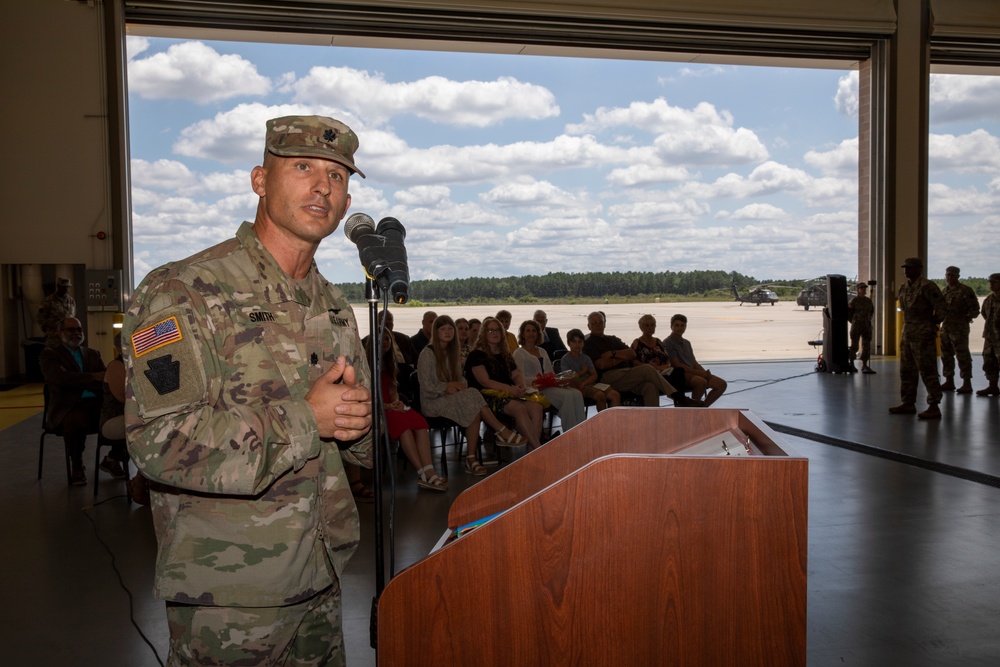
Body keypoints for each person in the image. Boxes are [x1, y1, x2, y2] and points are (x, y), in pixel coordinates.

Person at [123, 115, 373, 666]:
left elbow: (352, 435)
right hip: (231, 596)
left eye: (336, 176)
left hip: (324, 570)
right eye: (303, 167)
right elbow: (158, 443)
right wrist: (309, 419)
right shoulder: (182, 290)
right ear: (260, 179)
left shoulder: (332, 304)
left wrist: (362, 425)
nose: (321, 186)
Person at [418, 314, 525, 476]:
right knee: (473, 399)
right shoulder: (428, 353)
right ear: (436, 331)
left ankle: (472, 458)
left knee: (473, 404)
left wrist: (457, 386)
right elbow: (426, 386)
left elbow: (462, 379)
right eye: (443, 329)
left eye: (450, 329)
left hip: (451, 398)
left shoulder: (453, 353)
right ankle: (500, 432)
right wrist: (447, 386)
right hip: (433, 401)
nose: (448, 332)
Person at [39, 317, 117, 485]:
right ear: (61, 334)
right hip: (68, 406)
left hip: (96, 403)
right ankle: (77, 466)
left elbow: (104, 379)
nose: (76, 333)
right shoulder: (50, 355)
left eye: (79, 330)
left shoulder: (92, 354)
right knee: (75, 421)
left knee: (120, 417)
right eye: (71, 330)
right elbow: (58, 378)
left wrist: (75, 379)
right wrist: (91, 377)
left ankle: (112, 459)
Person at [367, 329, 446, 491]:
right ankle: (422, 472)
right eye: (381, 340)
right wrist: (386, 406)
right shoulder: (366, 366)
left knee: (420, 423)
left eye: (388, 339)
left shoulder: (390, 364)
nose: (385, 342)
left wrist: (396, 402)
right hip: (375, 409)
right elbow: (368, 396)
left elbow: (392, 391)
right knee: (404, 428)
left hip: (390, 407)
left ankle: (429, 468)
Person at [582, 311, 701, 408]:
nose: (598, 325)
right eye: (594, 323)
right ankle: (678, 397)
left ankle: (652, 423)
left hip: (626, 375)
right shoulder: (589, 343)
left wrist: (613, 354)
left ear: (604, 324)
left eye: (600, 322)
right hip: (608, 378)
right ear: (589, 326)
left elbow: (631, 354)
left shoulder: (613, 339)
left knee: (650, 386)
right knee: (646, 369)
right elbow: (601, 365)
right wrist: (621, 356)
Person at [466, 317, 544, 450]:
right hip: (488, 397)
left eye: (497, 330)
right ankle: (538, 449)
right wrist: (510, 389)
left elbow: (516, 374)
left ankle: (532, 449)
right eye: (490, 330)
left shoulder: (504, 354)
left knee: (537, 408)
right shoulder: (476, 355)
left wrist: (521, 386)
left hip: (510, 393)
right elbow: (485, 381)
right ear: (484, 333)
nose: (495, 333)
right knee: (519, 408)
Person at [890, 257, 946, 420]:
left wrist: (932, 323)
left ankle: (934, 405)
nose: (906, 270)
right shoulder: (903, 287)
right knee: (906, 370)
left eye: (910, 268)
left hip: (923, 335)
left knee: (928, 370)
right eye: (905, 267)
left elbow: (942, 308)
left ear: (919, 269)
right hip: (907, 333)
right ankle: (908, 403)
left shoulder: (928, 287)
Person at [513, 319, 587, 431]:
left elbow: (550, 373)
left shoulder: (542, 351)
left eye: (534, 331)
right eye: (528, 331)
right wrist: (540, 380)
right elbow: (520, 378)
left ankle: (581, 430)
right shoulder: (518, 353)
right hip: (533, 389)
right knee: (567, 396)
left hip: (548, 386)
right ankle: (570, 433)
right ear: (522, 334)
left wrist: (559, 379)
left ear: (538, 333)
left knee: (576, 393)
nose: (531, 333)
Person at [663, 314, 728, 407]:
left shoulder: (687, 343)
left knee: (721, 384)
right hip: (681, 374)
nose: (679, 328)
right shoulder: (667, 343)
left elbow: (693, 362)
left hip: (693, 371)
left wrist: (705, 373)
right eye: (677, 325)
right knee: (701, 382)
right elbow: (677, 365)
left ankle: (702, 407)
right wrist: (700, 374)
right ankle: (692, 406)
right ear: (671, 327)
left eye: (682, 325)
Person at [940, 266, 981, 394]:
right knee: (946, 356)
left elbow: (975, 309)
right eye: (948, 275)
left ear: (958, 276)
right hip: (946, 328)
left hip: (960, 329)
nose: (950, 277)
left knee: (962, 356)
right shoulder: (944, 291)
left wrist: (965, 318)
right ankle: (949, 381)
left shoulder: (965, 291)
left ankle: (966, 382)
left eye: (953, 275)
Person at [559, 328, 620, 410]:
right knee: (600, 396)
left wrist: (585, 382)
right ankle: (601, 421)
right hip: (576, 386)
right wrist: (583, 372)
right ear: (569, 343)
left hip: (589, 383)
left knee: (615, 395)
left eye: (580, 341)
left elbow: (594, 375)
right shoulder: (565, 359)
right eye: (574, 342)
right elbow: (570, 378)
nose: (577, 344)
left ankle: (611, 420)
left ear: (583, 343)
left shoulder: (586, 358)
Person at [630, 314, 689, 391]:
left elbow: (667, 358)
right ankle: (679, 398)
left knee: (679, 371)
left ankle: (679, 399)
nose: (650, 328)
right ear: (641, 327)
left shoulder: (658, 341)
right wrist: (656, 368)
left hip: (663, 371)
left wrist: (666, 366)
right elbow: (635, 362)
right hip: (649, 372)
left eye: (652, 325)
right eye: (647, 325)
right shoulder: (637, 343)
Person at [977, 272, 1000, 397]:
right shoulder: (989, 299)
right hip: (990, 337)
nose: (991, 284)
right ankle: (993, 386)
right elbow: (984, 314)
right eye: (990, 281)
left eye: (994, 281)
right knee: (989, 361)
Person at [36, 277, 77, 349]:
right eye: (64, 287)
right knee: (53, 357)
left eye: (67, 287)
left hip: (68, 337)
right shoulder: (48, 301)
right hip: (53, 337)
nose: (66, 289)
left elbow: (73, 317)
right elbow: (41, 318)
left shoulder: (71, 301)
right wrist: (48, 331)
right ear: (58, 286)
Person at [847, 282, 876, 374]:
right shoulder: (854, 301)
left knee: (866, 346)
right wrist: (854, 321)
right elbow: (849, 313)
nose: (864, 289)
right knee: (854, 346)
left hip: (866, 326)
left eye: (864, 288)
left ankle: (864, 365)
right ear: (858, 290)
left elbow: (871, 311)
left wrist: (868, 319)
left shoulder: (868, 301)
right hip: (857, 326)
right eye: (861, 288)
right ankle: (851, 364)